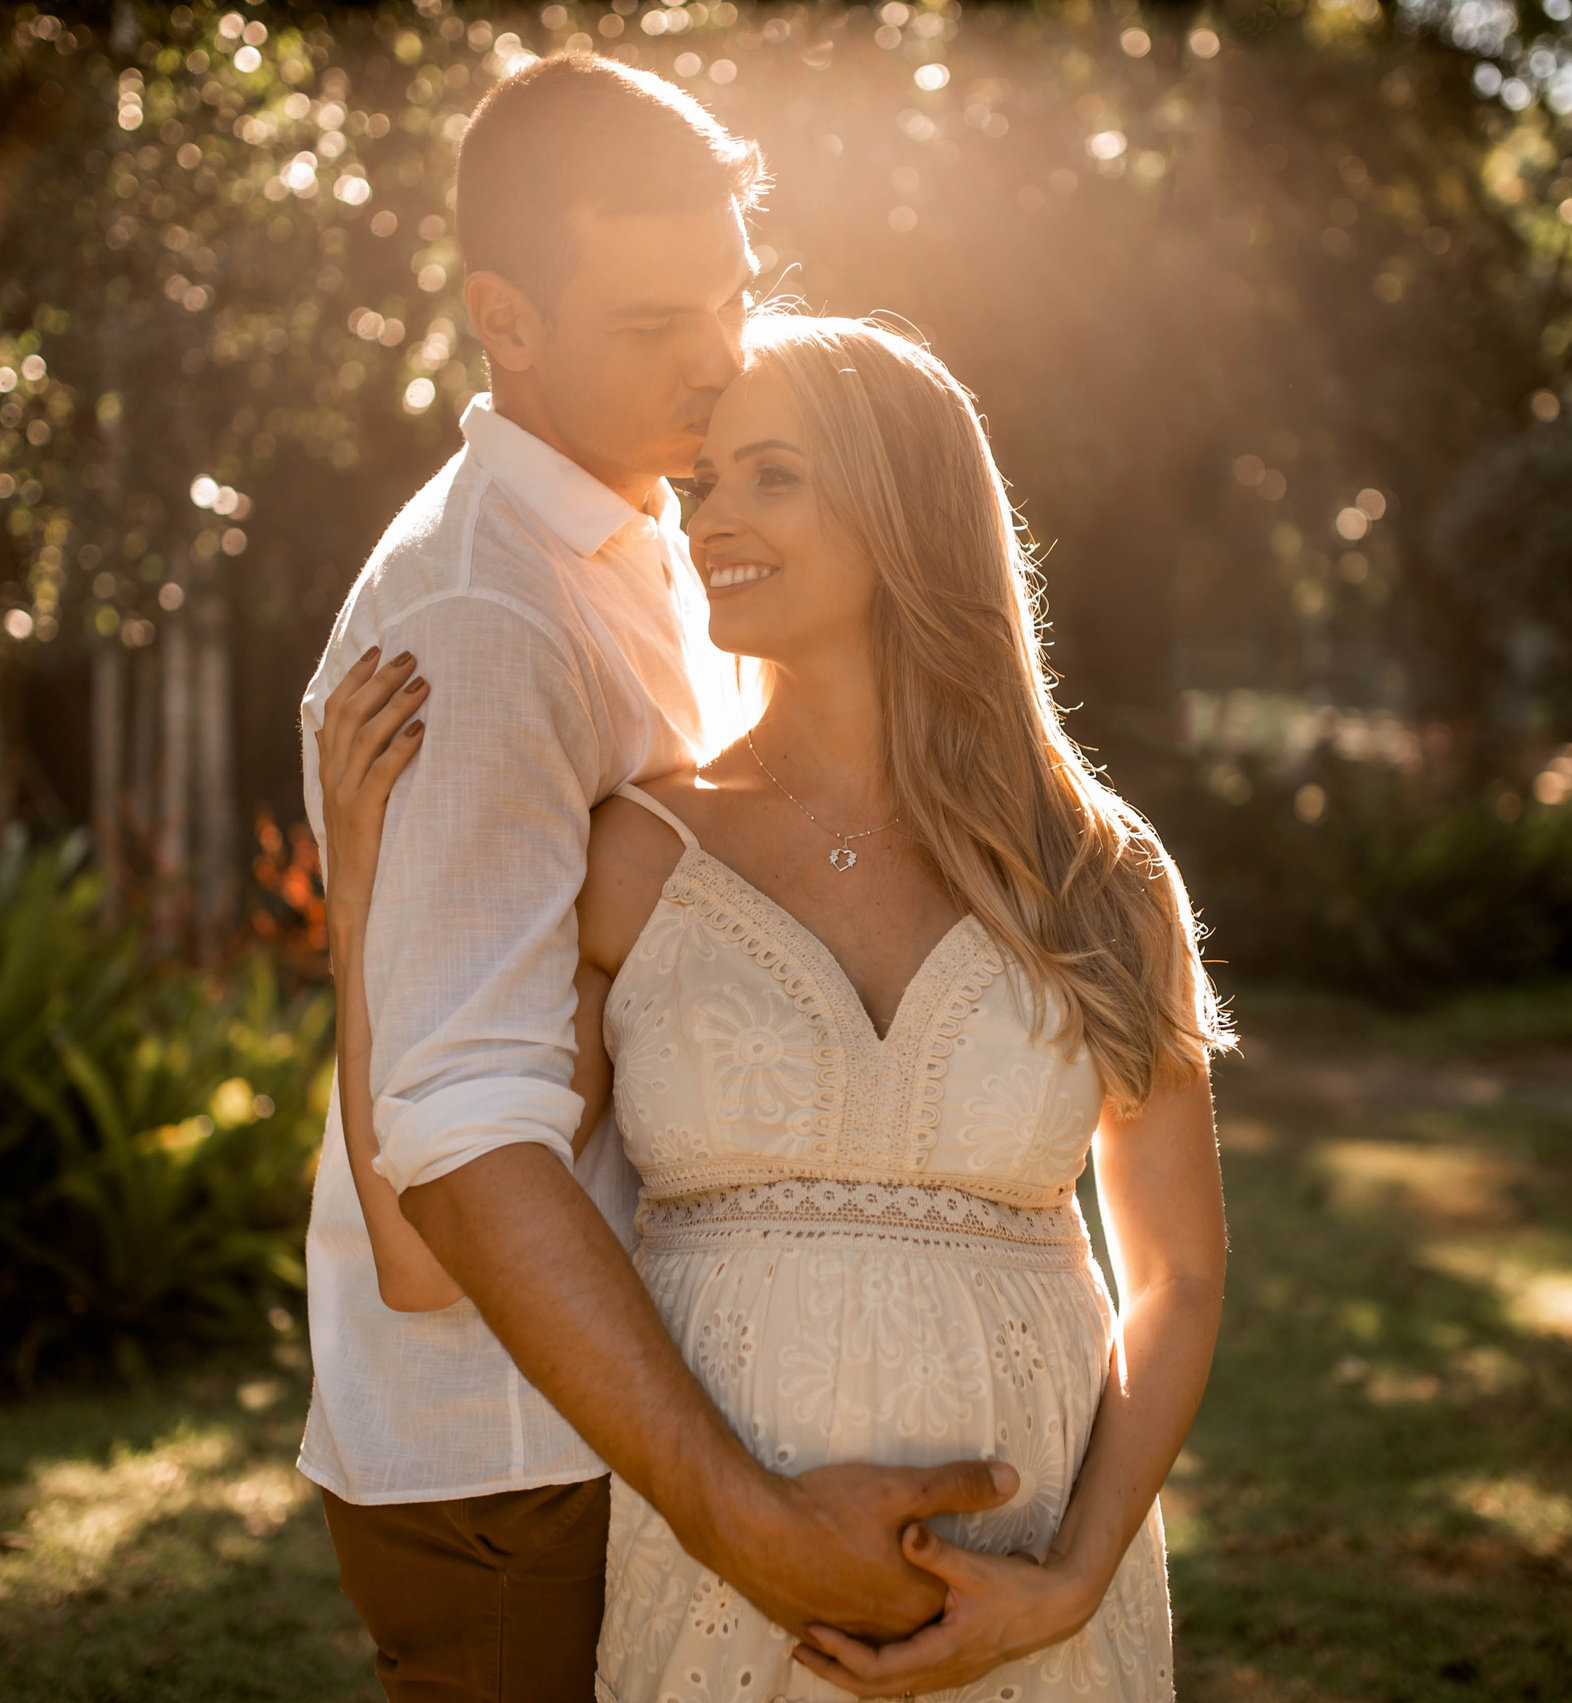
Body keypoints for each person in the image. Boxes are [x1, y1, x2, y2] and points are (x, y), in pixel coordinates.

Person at [318, 313, 1231, 1699]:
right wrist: (363, 914)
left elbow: (1177, 1274)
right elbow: (425, 1255)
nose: (711, 520)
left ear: (905, 511)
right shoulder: (639, 855)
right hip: (726, 1609)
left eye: (772, 476)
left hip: (1039, 1597)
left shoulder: (1099, 870)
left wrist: (1073, 1580)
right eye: (705, 484)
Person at [294, 55, 1015, 1703]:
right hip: (513, 1459)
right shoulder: (481, 622)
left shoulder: (649, 551)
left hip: (615, 1414)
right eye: (650, 323)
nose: (717, 360)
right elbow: (454, 1173)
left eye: (733, 299)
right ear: (506, 317)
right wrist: (747, 1518)